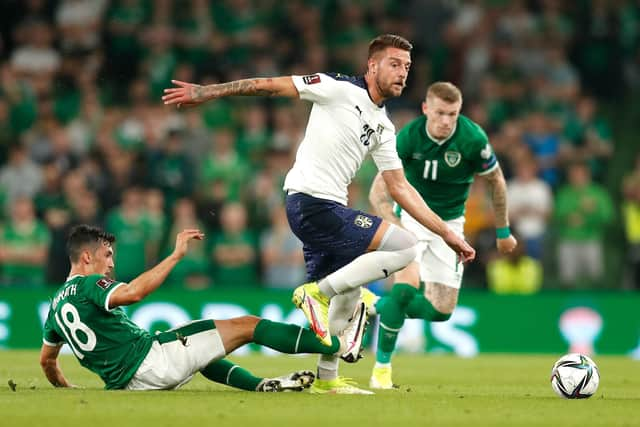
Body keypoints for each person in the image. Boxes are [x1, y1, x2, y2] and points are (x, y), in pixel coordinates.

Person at [163, 34, 475, 394]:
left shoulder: (385, 127)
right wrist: (208, 92)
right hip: (310, 203)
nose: (403, 72)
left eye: (407, 66)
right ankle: (317, 293)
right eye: (394, 64)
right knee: (406, 248)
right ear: (372, 65)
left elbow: (401, 188)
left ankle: (327, 380)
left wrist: (450, 235)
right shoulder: (337, 88)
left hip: (328, 210)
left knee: (349, 296)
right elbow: (268, 86)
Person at [40, 224, 366, 392]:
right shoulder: (86, 285)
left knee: (203, 355)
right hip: (150, 359)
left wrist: (69, 390)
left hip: (128, 384)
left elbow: (48, 362)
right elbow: (134, 293)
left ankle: (260, 385)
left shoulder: (55, 307)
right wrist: (176, 254)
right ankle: (341, 344)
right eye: (107, 254)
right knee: (248, 325)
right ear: (86, 257)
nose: (111, 263)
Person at [366, 82, 517, 389]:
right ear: (425, 109)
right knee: (406, 288)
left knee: (441, 312)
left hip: (450, 226)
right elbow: (378, 193)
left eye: (452, 114)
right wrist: (395, 224)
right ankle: (381, 370)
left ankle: (371, 305)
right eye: (440, 113)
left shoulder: (472, 138)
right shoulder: (408, 137)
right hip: (410, 218)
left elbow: (496, 182)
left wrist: (503, 231)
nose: (446, 121)